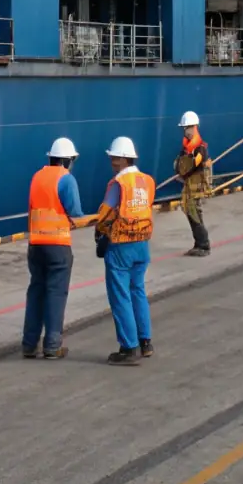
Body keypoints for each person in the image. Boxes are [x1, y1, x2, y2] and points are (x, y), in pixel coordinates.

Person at [95, 135, 155, 366]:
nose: (111, 162)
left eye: (113, 158)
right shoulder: (146, 181)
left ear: (121, 159)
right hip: (142, 244)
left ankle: (128, 348)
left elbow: (105, 215)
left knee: (120, 296)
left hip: (121, 245)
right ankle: (145, 342)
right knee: (137, 291)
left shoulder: (118, 184)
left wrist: (100, 231)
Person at [22, 136, 83, 359]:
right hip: (58, 245)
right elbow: (75, 212)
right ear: (67, 161)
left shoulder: (37, 177)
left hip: (35, 245)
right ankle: (52, 345)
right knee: (56, 293)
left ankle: (29, 344)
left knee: (36, 291)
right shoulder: (66, 179)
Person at [175, 110, 212, 256]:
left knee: (194, 213)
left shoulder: (199, 148)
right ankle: (199, 243)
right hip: (189, 185)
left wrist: (183, 173)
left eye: (186, 128)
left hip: (196, 186)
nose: (184, 131)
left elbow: (193, 166)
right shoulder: (188, 147)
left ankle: (204, 245)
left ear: (193, 127)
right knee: (190, 212)